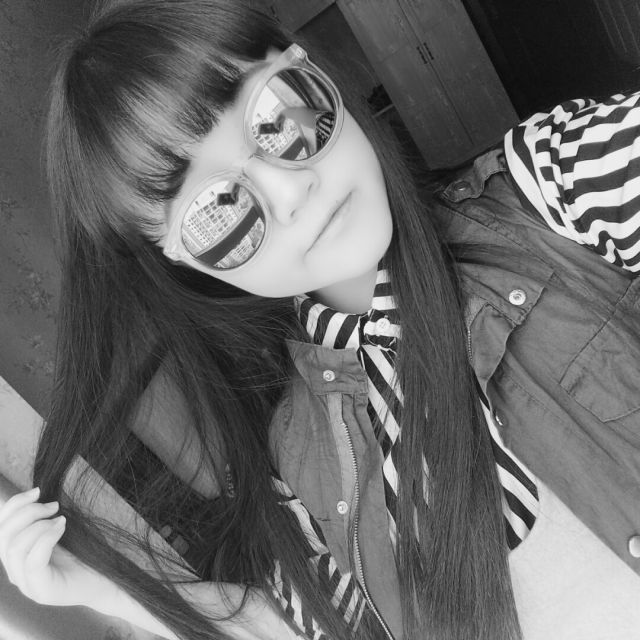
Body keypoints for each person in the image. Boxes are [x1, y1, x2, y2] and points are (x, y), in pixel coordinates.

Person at [0, 1, 639, 639]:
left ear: (306, 69)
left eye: (279, 118)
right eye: (218, 214)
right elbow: (311, 627)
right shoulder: (295, 456)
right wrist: (112, 591)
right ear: (182, 262)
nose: (290, 192)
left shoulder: (550, 191)